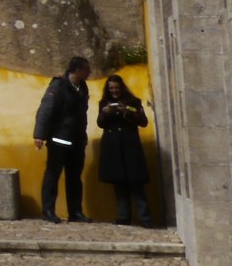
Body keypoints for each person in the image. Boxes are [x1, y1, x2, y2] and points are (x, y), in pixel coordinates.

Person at [33, 56, 94, 223]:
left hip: (77, 139)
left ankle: (75, 212)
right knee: (53, 175)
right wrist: (39, 135)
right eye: (86, 69)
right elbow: (45, 109)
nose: (89, 72)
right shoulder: (58, 86)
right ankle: (48, 211)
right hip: (59, 138)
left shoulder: (82, 87)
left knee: (74, 177)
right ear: (77, 70)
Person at [96, 74, 153, 227]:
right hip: (113, 148)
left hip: (130, 146)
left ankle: (145, 218)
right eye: (111, 88)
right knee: (119, 183)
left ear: (121, 87)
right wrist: (105, 113)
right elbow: (100, 123)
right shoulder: (104, 103)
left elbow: (143, 121)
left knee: (136, 183)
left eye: (116, 87)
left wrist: (126, 110)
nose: (114, 91)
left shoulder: (133, 102)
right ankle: (123, 217)